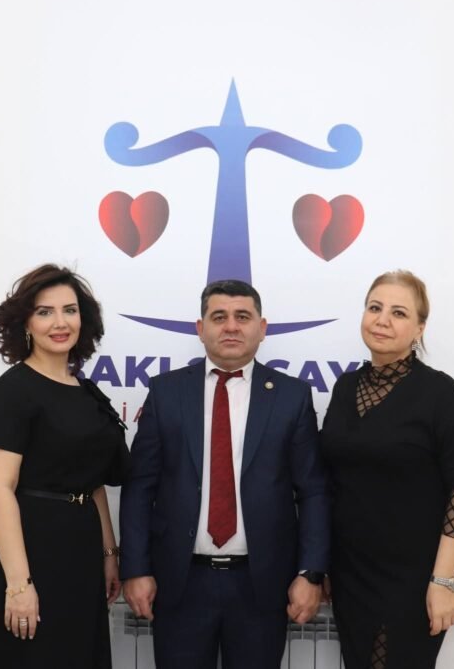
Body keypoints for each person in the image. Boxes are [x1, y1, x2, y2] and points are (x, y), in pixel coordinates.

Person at [119, 279, 330, 668]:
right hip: (180, 583)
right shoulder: (166, 392)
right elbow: (139, 488)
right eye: (219, 317)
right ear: (201, 329)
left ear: (262, 328)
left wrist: (310, 573)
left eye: (242, 317)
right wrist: (135, 569)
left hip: (262, 585)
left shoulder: (292, 396)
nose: (231, 326)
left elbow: (313, 491)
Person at [0, 264, 129, 669]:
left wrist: (108, 553)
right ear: (25, 323)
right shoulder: (11, 392)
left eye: (70, 310)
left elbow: (93, 482)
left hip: (79, 552)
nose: (60, 323)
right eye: (45, 312)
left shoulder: (87, 393)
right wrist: (18, 585)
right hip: (28, 552)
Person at [320, 270, 454, 669]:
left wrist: (445, 581)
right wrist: (323, 562)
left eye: (398, 313)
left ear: (419, 328)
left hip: (413, 578)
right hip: (350, 573)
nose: (382, 320)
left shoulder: (439, 393)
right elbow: (331, 480)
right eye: (374, 308)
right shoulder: (345, 388)